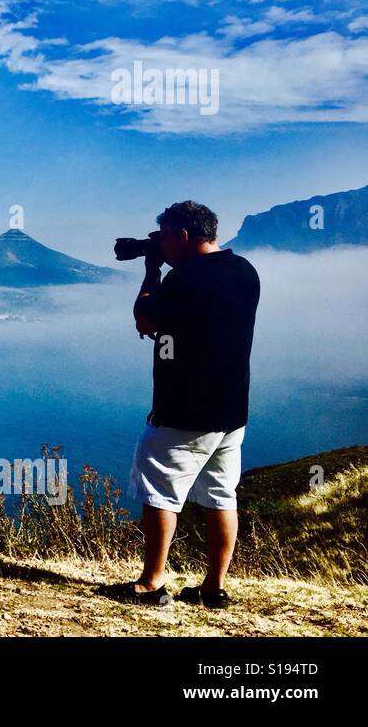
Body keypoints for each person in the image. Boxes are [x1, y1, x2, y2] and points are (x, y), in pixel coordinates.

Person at [99, 201, 260, 608]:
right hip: (231, 412)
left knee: (160, 493)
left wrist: (152, 270)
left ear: (183, 236)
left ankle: (151, 584)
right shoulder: (246, 271)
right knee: (222, 496)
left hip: (185, 411)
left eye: (166, 237)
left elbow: (145, 318)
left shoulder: (184, 280)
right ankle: (214, 588)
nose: (163, 245)